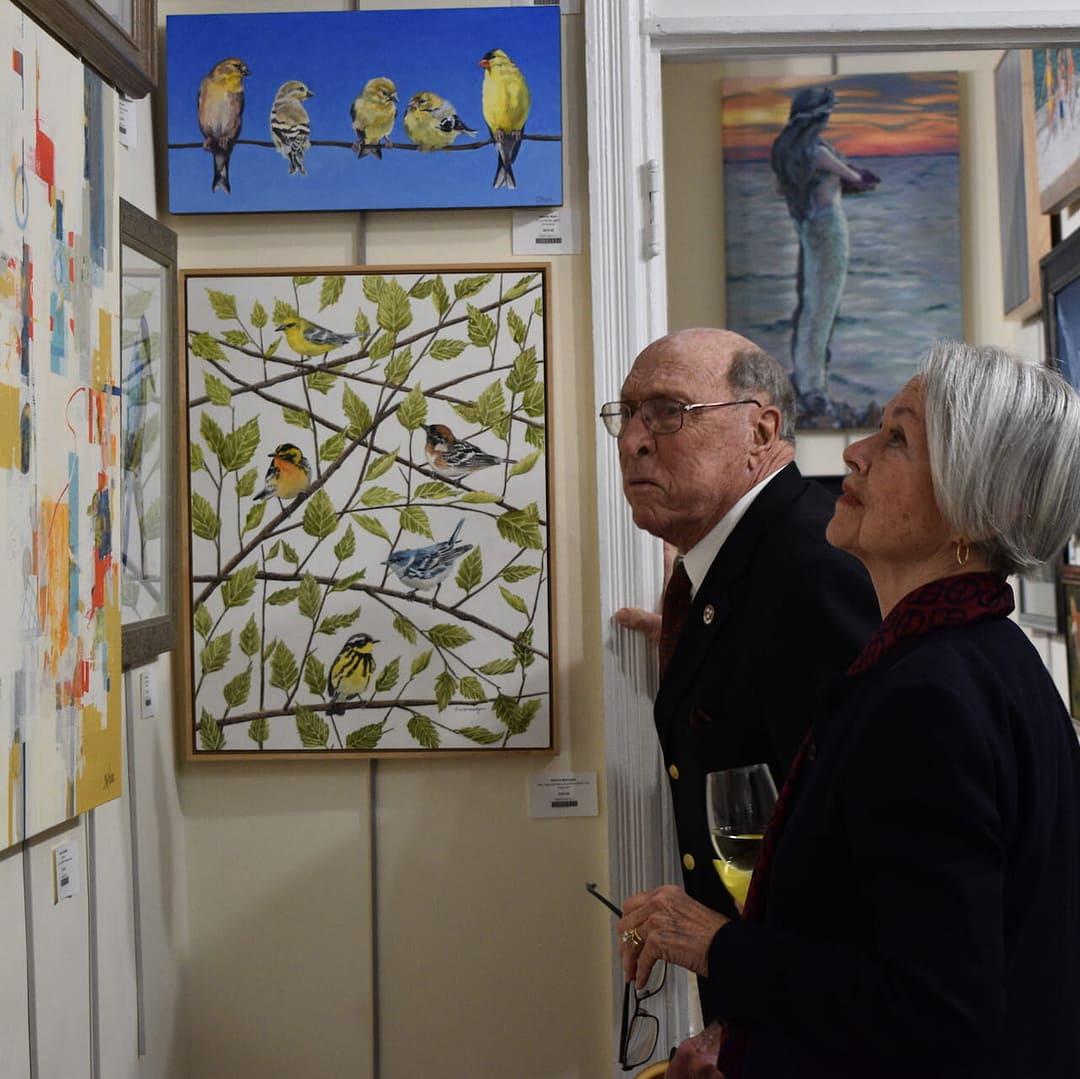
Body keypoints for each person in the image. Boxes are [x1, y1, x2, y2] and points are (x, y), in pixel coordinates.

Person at [617, 340, 1080, 1078]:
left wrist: (716, 945)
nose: (854, 452)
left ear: (976, 509)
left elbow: (933, 1009)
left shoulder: (930, 695)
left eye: (897, 439)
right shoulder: (976, 657)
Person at [604, 328, 878, 1022]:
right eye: (628, 414)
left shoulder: (813, 568)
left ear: (760, 430)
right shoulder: (737, 563)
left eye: (668, 412)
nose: (633, 440)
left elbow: (858, 856)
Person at [771, 85, 879, 426]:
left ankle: (807, 379)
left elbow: (784, 188)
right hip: (829, 230)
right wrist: (857, 176)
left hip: (806, 227)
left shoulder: (787, 153)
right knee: (823, 307)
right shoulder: (817, 151)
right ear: (817, 117)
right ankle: (813, 387)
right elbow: (856, 177)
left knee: (809, 304)